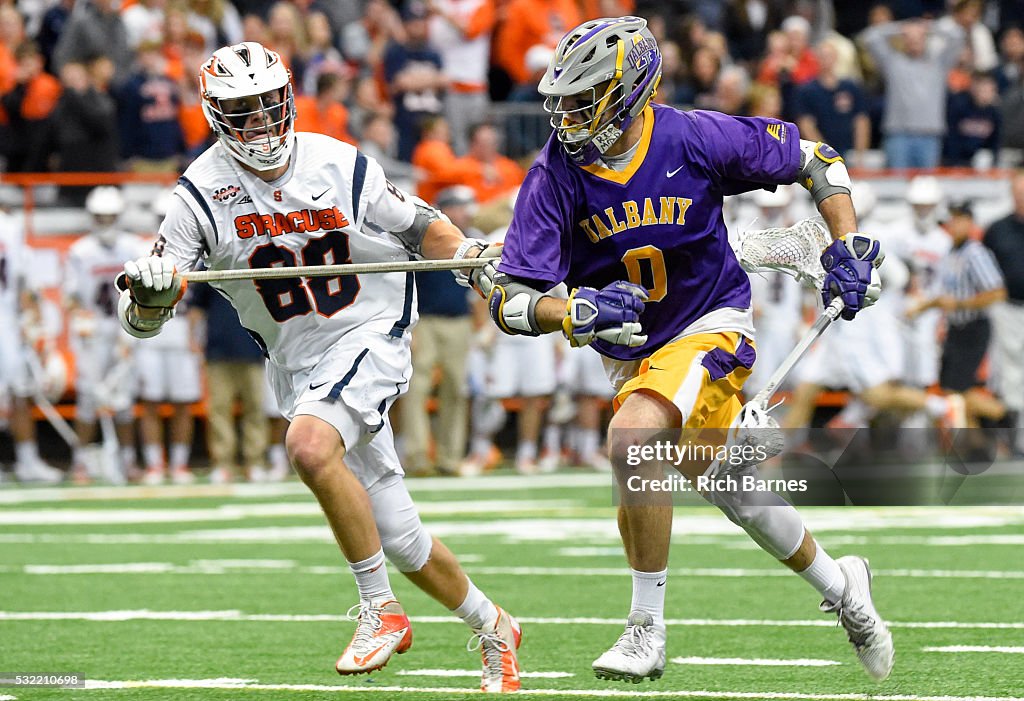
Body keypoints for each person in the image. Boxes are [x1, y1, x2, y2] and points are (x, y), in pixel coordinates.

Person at [472, 16, 893, 684]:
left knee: (632, 437)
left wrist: (843, 242)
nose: (571, 116)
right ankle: (844, 585)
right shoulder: (553, 172)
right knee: (731, 486)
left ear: (631, 91)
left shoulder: (691, 135)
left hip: (710, 321)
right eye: (566, 100)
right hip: (634, 353)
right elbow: (511, 302)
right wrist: (571, 310)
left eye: (585, 99)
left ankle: (645, 628)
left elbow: (819, 160)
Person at [115, 42, 520, 692]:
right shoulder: (198, 195)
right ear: (218, 117)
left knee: (307, 446)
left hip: (370, 331)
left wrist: (470, 254)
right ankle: (494, 622)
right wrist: (151, 296)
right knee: (401, 536)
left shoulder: (334, 159)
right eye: (244, 113)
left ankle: (379, 609)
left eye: (271, 107)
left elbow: (418, 224)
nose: (263, 125)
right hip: (300, 363)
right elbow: (140, 320)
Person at [65, 186, 148, 484]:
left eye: (110, 216)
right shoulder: (80, 251)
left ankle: (127, 462)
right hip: (92, 333)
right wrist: (79, 320)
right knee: (89, 399)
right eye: (100, 217)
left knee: (123, 400)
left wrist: (134, 327)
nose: (106, 223)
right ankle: (80, 463)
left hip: (125, 329)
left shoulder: (134, 247)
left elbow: (145, 293)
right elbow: (71, 296)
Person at [401, 185, 477, 476]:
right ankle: (418, 456)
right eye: (458, 206)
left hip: (459, 321)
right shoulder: (424, 238)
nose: (464, 212)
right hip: (426, 321)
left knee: (455, 388)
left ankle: (450, 457)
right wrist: (411, 325)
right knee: (417, 388)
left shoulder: (470, 239)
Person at [983, 170, 1024, 453]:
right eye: (1018, 193)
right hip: (1008, 309)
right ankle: (1016, 438)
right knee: (1011, 375)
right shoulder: (997, 229)